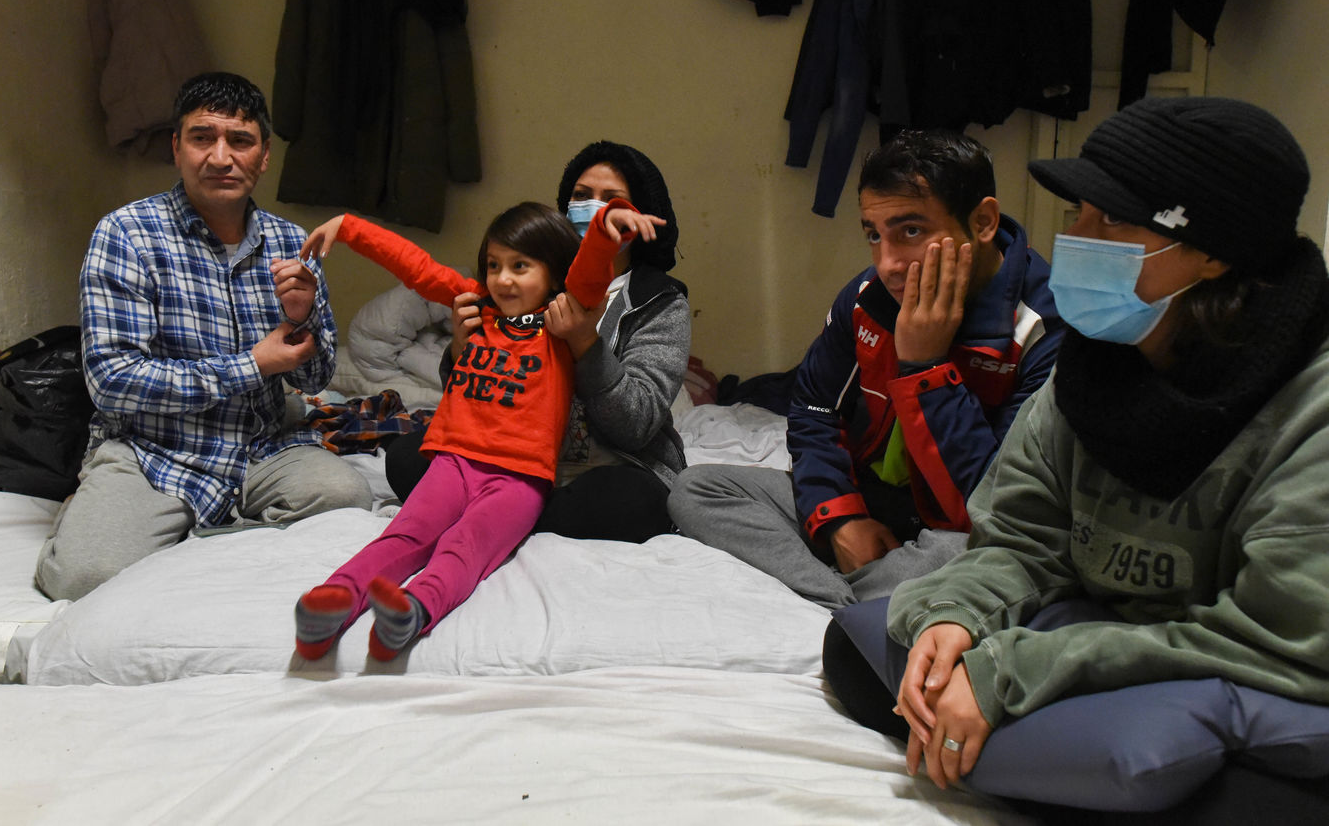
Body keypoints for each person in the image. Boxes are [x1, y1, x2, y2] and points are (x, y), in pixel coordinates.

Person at [824, 97, 1329, 821]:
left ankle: (1049, 761)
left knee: (1252, 795)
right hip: (1101, 627)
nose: (1076, 240)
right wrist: (957, 615)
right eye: (1078, 212)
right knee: (867, 650)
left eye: (1112, 221)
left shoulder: (1308, 405)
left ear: (1215, 252)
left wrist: (1021, 668)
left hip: (1235, 662)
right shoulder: (1095, 363)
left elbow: (1280, 640)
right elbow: (1021, 538)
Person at [669, 130, 1064, 608]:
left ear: (982, 222)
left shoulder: (1046, 327)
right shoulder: (867, 297)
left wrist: (926, 365)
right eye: (874, 235)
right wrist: (840, 519)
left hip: (956, 528)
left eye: (910, 231)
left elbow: (998, 504)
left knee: (979, 558)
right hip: (871, 501)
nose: (887, 263)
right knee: (697, 489)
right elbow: (813, 408)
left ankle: (859, 602)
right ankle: (848, 602)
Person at [35, 72, 373, 602]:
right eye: (202, 138)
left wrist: (305, 317)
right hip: (155, 451)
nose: (221, 157)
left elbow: (315, 379)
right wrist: (253, 365)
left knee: (347, 497)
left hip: (260, 447)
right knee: (82, 577)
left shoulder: (290, 241)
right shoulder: (127, 234)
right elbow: (111, 382)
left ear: (264, 156)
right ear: (177, 147)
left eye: (240, 140)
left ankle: (199, 539)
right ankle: (110, 509)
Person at [293, 199, 665, 660]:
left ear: (553, 274)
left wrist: (606, 229)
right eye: (493, 265)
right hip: (453, 460)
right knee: (405, 534)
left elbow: (589, 274)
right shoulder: (477, 308)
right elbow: (416, 267)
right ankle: (334, 599)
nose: (502, 279)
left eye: (520, 266)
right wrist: (351, 228)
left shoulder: (560, 322)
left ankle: (414, 610)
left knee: (463, 548)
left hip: (519, 477)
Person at [385, 140, 691, 542]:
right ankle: (509, 508)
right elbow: (471, 405)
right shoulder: (528, 279)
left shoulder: (659, 302)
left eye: (611, 199)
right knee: (406, 458)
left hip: (610, 464)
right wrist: (462, 350)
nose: (594, 209)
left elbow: (636, 426)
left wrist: (586, 345)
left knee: (636, 503)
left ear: (639, 215)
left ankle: (495, 511)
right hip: (511, 456)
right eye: (581, 196)